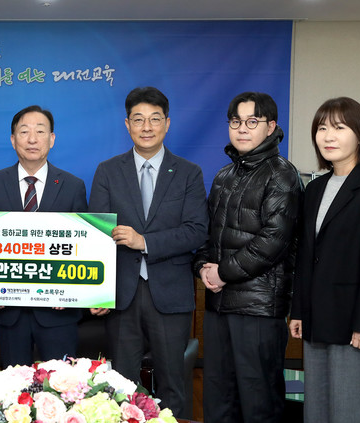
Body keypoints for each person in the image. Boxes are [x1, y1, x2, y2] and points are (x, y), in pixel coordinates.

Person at [88, 87, 208, 418]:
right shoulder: (108, 171)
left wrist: (145, 241)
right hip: (121, 295)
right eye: (138, 119)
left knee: (173, 384)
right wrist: (99, 290)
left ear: (167, 123)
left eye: (155, 119)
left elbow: (197, 230)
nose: (147, 127)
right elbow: (96, 235)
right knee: (121, 387)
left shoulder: (188, 173)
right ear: (127, 124)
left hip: (170, 294)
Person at [192, 92, 302, 423]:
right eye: (236, 121)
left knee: (259, 402)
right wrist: (202, 267)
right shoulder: (223, 176)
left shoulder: (282, 175)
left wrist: (222, 273)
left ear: (271, 127)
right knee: (218, 398)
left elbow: (273, 241)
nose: (242, 128)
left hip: (258, 310)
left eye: (252, 121)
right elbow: (207, 234)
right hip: (219, 307)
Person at [289, 97, 360, 423]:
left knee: (355, 410)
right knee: (319, 409)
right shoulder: (314, 189)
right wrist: (299, 310)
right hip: (318, 319)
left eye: (339, 128)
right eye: (322, 128)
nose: (328, 136)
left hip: (356, 324)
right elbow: (306, 255)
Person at [0, 105, 87, 368]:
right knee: (14, 388)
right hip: (9, 312)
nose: (32, 139)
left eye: (40, 131)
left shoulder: (73, 186)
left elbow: (82, 247)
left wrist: (69, 291)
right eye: (24, 132)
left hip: (59, 312)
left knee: (62, 385)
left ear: (52, 139)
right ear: (13, 139)